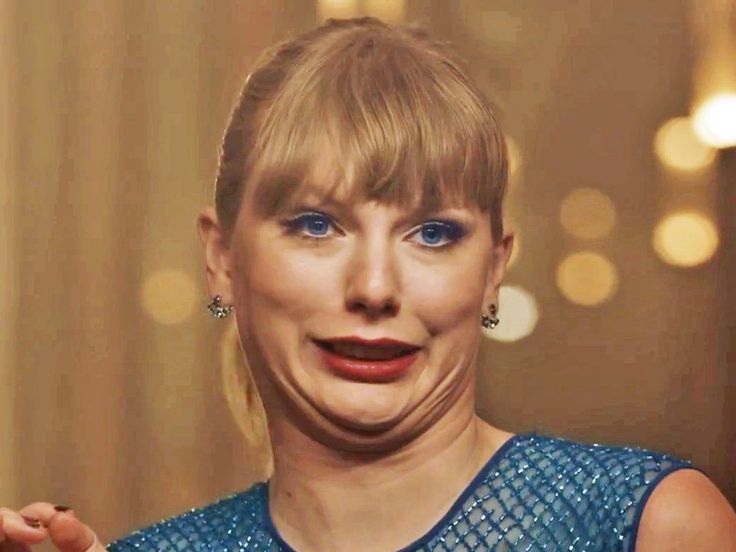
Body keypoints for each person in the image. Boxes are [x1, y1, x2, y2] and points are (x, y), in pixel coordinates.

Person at [2, 16, 735, 552]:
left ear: (493, 271)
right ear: (222, 258)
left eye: (433, 233)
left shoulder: (650, 526)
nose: (376, 286)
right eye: (316, 225)